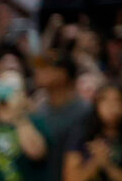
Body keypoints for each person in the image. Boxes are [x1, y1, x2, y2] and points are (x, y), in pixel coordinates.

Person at [0, 52, 50, 181]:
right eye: (1, 86)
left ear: (23, 92)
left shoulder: (35, 119)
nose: (5, 92)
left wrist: (18, 114)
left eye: (12, 88)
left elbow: (36, 152)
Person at [32, 50, 90, 181]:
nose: (38, 71)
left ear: (63, 74)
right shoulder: (38, 111)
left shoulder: (84, 112)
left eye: (45, 67)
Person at [62, 83, 122, 181]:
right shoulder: (81, 135)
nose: (112, 106)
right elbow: (71, 178)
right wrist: (96, 161)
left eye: (117, 100)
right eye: (104, 100)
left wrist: (107, 164)